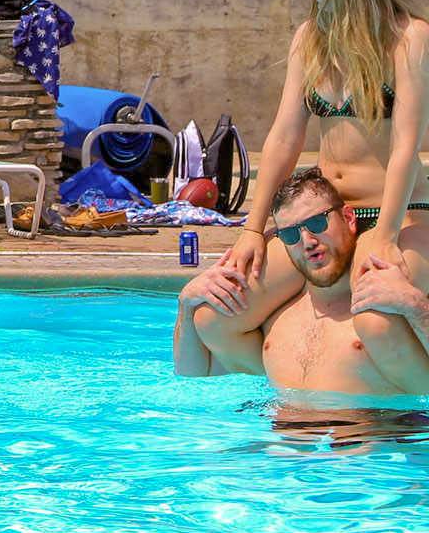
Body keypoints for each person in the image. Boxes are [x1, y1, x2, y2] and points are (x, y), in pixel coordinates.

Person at [192, 0, 429, 371]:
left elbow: (407, 148)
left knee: (377, 320)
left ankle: (410, 419)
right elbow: (284, 138)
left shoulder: (410, 39)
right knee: (216, 315)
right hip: (323, 220)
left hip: (399, 218)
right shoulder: (310, 38)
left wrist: (383, 237)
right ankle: (295, 397)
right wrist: (253, 230)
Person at [175, 167, 429, 394]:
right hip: (276, 441)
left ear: (349, 219)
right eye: (290, 234)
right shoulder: (273, 322)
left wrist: (418, 307)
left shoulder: (385, 317)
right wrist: (186, 307)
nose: (307, 242)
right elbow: (193, 378)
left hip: (372, 440)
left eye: (317, 223)